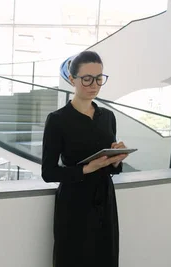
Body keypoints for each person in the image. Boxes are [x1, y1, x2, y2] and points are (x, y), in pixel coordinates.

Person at [41, 50, 129, 267]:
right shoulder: (57, 120)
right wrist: (87, 169)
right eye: (87, 78)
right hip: (74, 202)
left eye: (99, 78)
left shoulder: (107, 116)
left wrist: (116, 160)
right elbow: (48, 172)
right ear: (72, 79)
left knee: (105, 257)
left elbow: (110, 169)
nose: (94, 84)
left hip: (104, 198)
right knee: (74, 258)